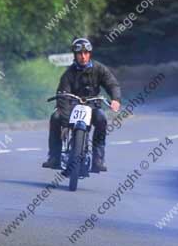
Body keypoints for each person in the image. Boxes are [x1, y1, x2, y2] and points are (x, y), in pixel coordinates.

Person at [42, 37, 121, 173]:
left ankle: (98, 160)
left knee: (102, 119)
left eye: (86, 53)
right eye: (80, 53)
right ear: (75, 55)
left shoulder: (99, 68)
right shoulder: (68, 74)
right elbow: (62, 97)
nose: (83, 56)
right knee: (55, 117)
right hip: (71, 106)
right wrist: (66, 125)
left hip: (92, 106)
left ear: (89, 54)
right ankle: (54, 158)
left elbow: (112, 83)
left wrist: (115, 98)